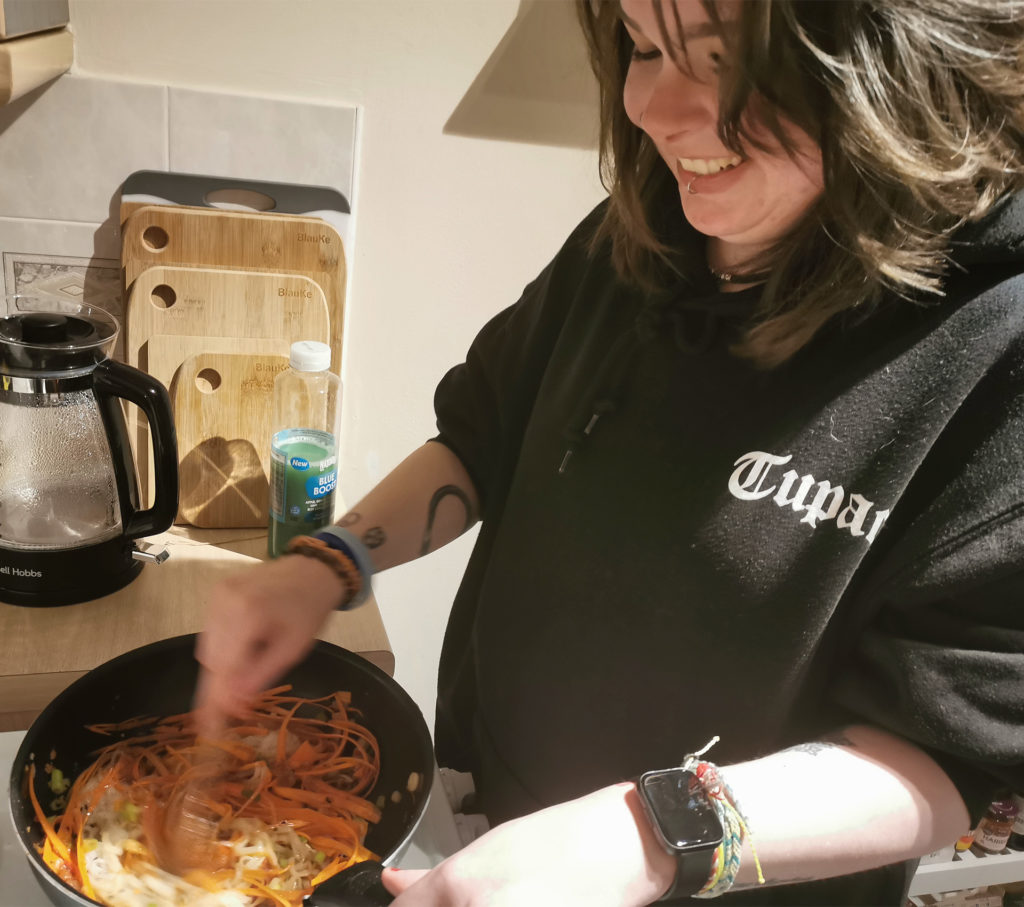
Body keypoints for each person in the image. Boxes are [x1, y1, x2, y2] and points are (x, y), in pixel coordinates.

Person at [196, 0, 1024, 903]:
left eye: (721, 59)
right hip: (494, 825)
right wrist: (328, 561)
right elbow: (481, 434)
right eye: (641, 46)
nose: (654, 109)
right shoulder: (634, 234)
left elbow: (948, 758)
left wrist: (650, 835)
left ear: (895, 74)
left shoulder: (999, 347)